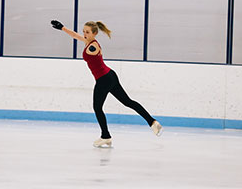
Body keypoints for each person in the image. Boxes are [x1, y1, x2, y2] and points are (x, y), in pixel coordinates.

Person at [51, 20, 163, 148]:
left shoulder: (93, 46)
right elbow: (76, 36)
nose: (84, 34)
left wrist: (70, 32)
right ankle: (152, 122)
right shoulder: (90, 42)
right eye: (84, 31)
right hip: (110, 76)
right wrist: (62, 28)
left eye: (87, 32)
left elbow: (89, 46)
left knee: (98, 108)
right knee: (127, 102)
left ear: (94, 33)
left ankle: (106, 136)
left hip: (104, 79)